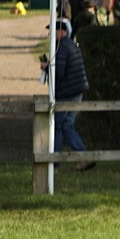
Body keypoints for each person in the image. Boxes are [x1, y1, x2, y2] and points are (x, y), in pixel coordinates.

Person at [43, 19, 95, 171]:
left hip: (67, 92)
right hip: (76, 90)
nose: (50, 35)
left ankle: (55, 161)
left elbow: (58, 72)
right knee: (67, 125)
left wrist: (46, 68)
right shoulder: (70, 44)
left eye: (52, 31)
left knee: (57, 126)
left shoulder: (61, 47)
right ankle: (84, 156)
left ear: (61, 32)